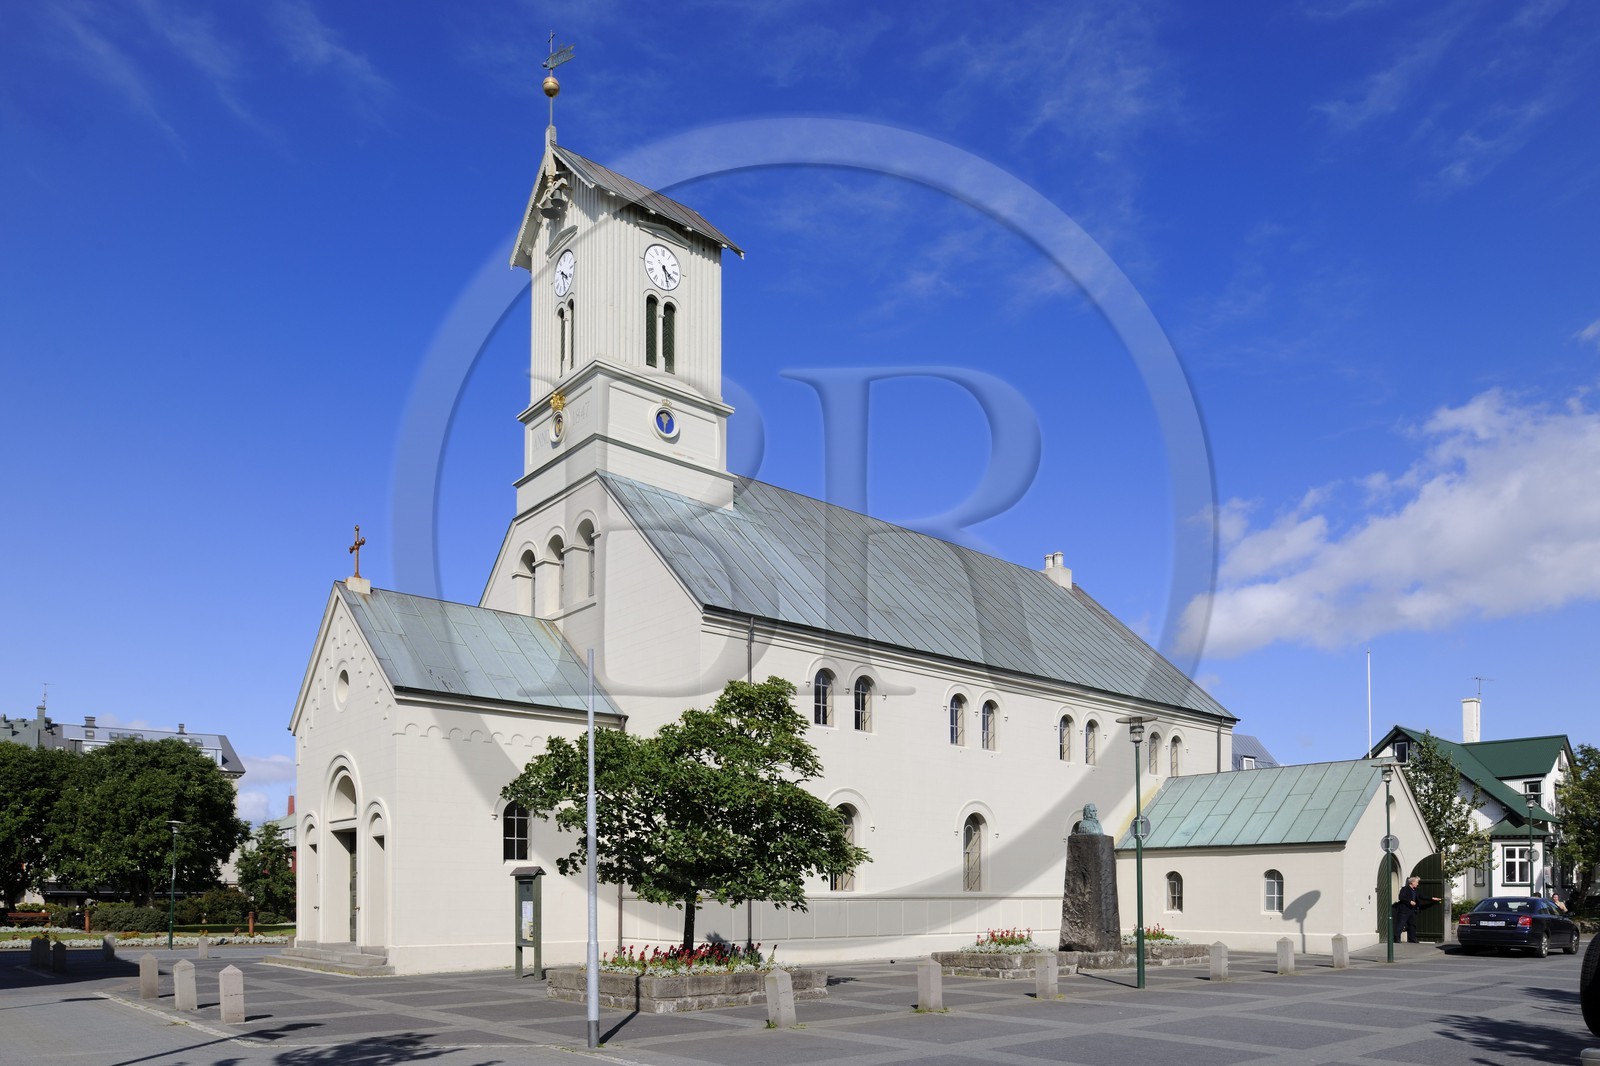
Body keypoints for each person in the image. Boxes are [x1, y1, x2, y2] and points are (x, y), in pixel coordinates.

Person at [1396, 875, 1440, 943]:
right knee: (1401, 924)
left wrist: (1432, 898)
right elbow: (1401, 897)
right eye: (1416, 882)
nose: (1417, 884)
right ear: (1412, 882)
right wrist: (1409, 901)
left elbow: (1422, 896)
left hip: (1412, 910)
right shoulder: (1405, 889)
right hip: (1404, 910)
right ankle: (1397, 938)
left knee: (1412, 925)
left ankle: (1412, 939)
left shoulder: (1416, 890)